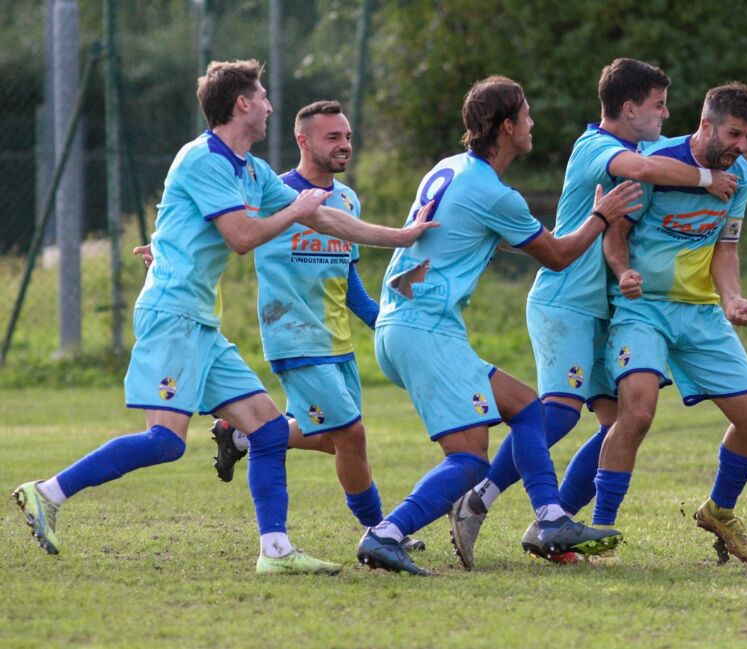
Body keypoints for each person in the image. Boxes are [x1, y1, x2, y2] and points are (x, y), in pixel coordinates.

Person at [11, 60, 435, 575]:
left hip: (201, 323)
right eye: (262, 97)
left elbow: (325, 216)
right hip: (172, 315)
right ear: (242, 105)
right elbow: (242, 238)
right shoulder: (203, 159)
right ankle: (48, 492)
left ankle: (275, 552)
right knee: (166, 442)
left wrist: (399, 236)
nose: (269, 107)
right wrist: (295, 212)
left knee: (270, 430)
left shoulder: (252, 171)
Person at [447, 58, 739, 568]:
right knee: (556, 413)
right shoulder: (597, 148)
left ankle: (553, 528)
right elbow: (648, 170)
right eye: (658, 105)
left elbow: (669, 156)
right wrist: (706, 176)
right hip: (566, 303)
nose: (667, 115)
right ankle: (478, 500)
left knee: (621, 422)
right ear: (629, 109)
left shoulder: (641, 146)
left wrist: (739, 150)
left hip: (607, 312)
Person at [355, 76, 644, 575]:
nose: (533, 124)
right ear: (508, 126)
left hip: (402, 324)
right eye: (527, 116)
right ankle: (386, 534)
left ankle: (551, 517)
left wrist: (569, 229)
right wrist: (601, 215)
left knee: (526, 407)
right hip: (424, 329)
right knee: (467, 460)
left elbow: (499, 237)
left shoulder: (451, 169)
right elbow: (556, 257)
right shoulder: (493, 191)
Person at [206, 99, 422, 552]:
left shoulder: (346, 200)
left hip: (338, 345)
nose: (344, 145)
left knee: (334, 442)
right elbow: (224, 229)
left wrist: (395, 327)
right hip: (293, 339)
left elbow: (353, 289)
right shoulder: (273, 192)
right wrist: (165, 251)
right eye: (333, 137)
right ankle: (381, 531)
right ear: (303, 141)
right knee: (353, 436)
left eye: (347, 136)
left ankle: (243, 432)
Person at [597, 81, 747, 564]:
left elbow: (726, 247)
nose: (742, 146)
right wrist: (623, 272)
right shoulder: (657, 164)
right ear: (707, 125)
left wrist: (733, 299)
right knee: (639, 411)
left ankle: (719, 509)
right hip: (643, 308)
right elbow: (617, 233)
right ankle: (600, 529)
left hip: (700, 311)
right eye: (734, 134)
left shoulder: (742, 177)